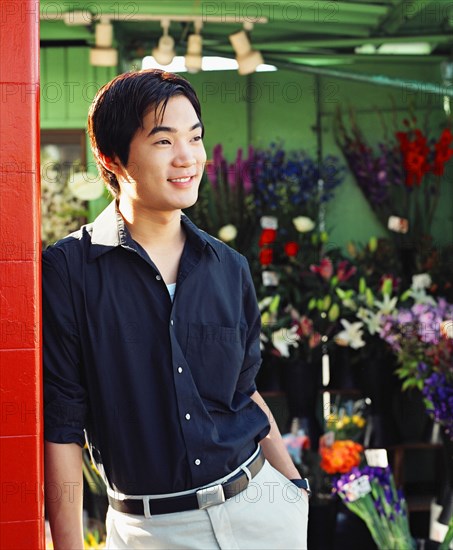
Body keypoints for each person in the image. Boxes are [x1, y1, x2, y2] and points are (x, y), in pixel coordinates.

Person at [43, 69, 309, 550]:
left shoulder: (229, 268)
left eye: (196, 137)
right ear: (112, 157)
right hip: (152, 532)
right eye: (163, 141)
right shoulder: (68, 271)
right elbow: (62, 426)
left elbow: (244, 394)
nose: (187, 157)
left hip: (262, 511)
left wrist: (296, 490)